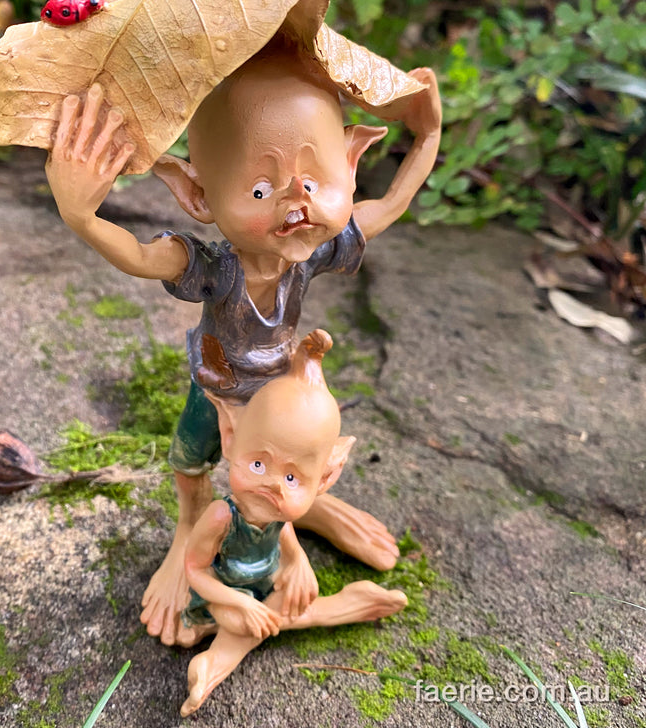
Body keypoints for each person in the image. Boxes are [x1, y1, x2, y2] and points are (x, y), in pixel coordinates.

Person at [45, 37, 441, 646]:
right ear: (195, 194)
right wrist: (81, 217)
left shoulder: (311, 256)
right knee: (191, 457)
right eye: (261, 190)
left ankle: (309, 508)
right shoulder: (214, 267)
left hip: (282, 396)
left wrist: (429, 137)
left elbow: (392, 202)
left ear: (351, 162)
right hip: (220, 391)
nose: (295, 201)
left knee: (297, 460)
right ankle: (188, 533)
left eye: (315, 180)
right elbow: (143, 257)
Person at [179, 329, 407, 716]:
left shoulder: (277, 517)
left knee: (299, 595)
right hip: (223, 596)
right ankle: (338, 610)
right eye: (257, 464)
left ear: (325, 479)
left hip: (265, 587)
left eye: (291, 478)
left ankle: (214, 664)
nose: (271, 484)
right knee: (250, 621)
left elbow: (284, 530)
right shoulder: (223, 515)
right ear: (230, 437)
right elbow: (194, 571)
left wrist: (299, 562)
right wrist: (238, 602)